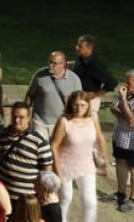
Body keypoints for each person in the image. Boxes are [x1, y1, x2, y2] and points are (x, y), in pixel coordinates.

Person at [50, 90, 107, 222]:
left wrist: (105, 160)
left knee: (90, 201)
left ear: (88, 105)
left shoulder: (93, 118)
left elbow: (100, 137)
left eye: (83, 105)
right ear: (70, 104)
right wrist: (57, 171)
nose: (79, 108)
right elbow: (54, 145)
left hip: (87, 165)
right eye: (76, 105)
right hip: (65, 166)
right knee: (65, 199)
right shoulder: (64, 121)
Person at [0, 102, 53, 205]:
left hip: (27, 200)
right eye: (14, 117)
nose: (16, 121)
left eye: (21, 117)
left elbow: (47, 169)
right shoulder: (2, 134)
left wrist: (43, 191)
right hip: (3, 195)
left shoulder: (39, 139)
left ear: (29, 118)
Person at [25, 51, 83, 138]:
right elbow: (30, 95)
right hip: (39, 122)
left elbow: (79, 102)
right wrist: (26, 113)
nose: (51, 66)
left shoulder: (74, 79)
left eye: (54, 63)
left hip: (61, 124)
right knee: (40, 150)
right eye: (50, 62)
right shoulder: (40, 75)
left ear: (63, 64)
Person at [73, 35, 118, 118]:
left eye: (80, 46)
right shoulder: (81, 59)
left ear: (89, 49)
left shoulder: (95, 65)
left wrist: (96, 94)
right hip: (79, 99)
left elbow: (112, 82)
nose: (76, 47)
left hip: (89, 102)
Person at [114, 70, 134, 212]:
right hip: (121, 137)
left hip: (133, 142)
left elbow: (133, 120)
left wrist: (123, 101)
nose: (126, 85)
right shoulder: (126, 94)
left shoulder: (124, 97)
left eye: (129, 82)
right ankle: (120, 194)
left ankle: (133, 199)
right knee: (120, 162)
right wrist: (125, 116)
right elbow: (113, 108)